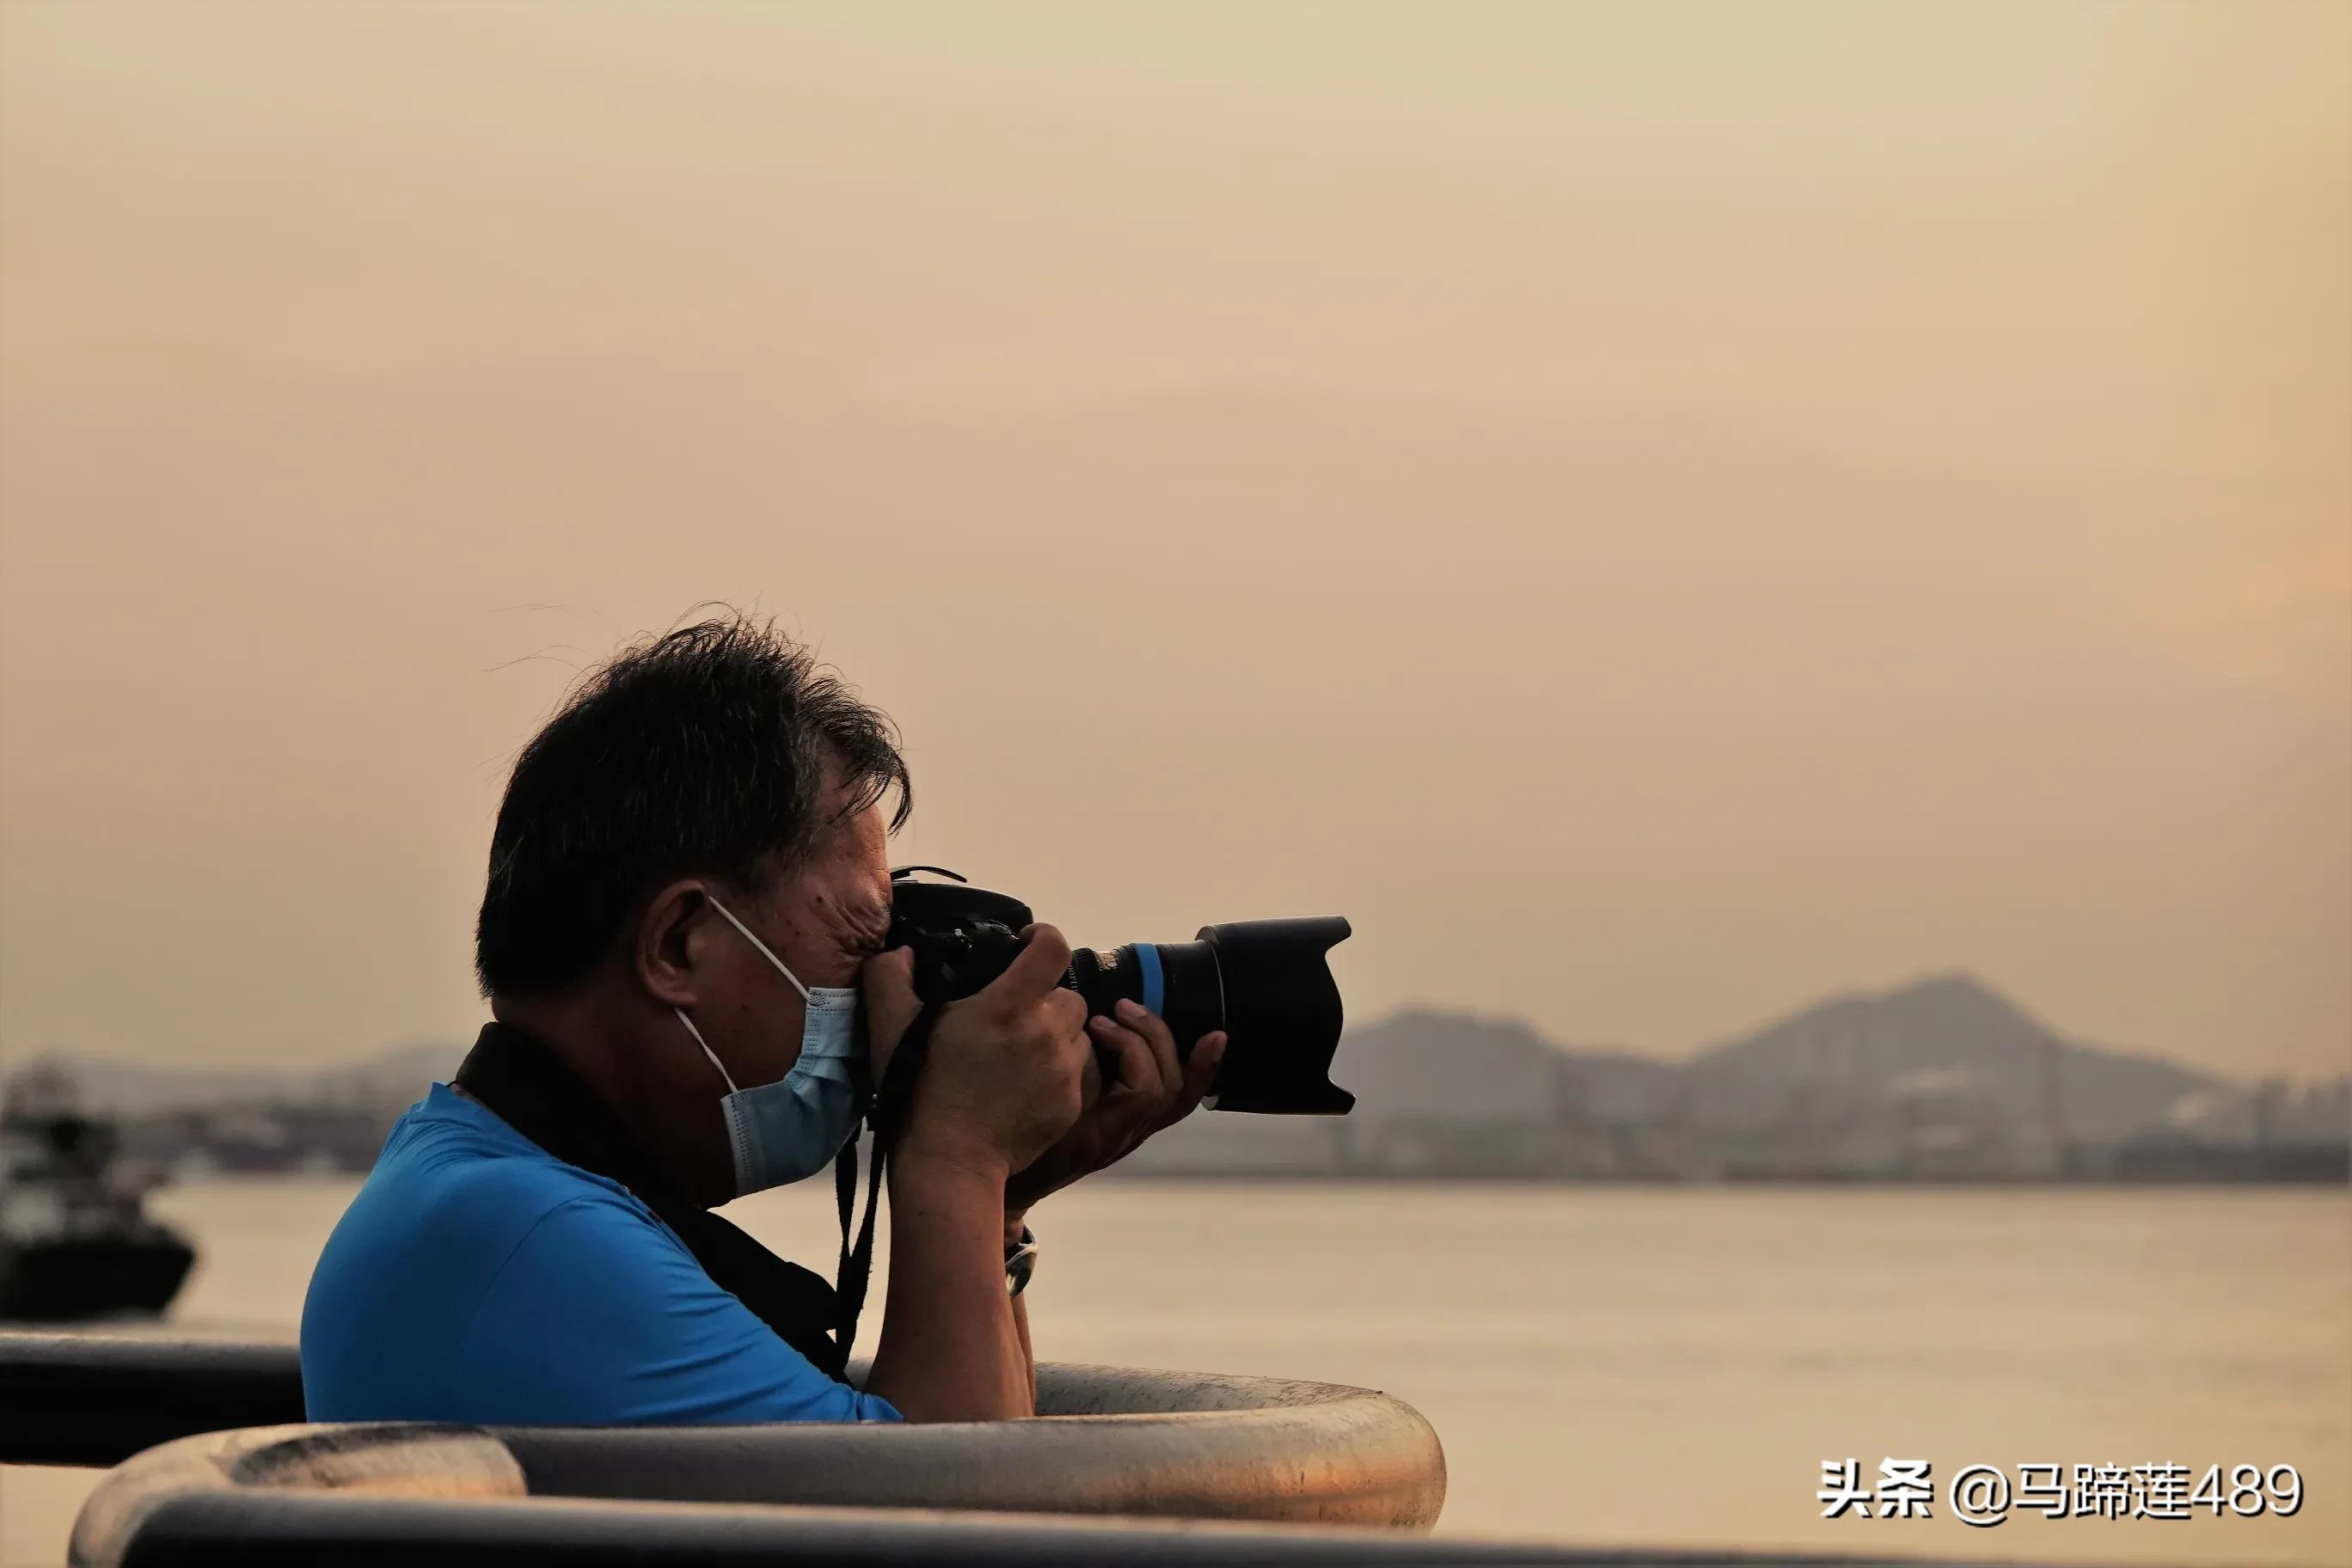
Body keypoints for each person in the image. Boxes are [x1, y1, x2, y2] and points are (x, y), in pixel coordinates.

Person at [299, 615, 1224, 1424]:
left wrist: (996, 1205)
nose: (883, 993)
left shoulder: (488, 1186)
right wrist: (957, 1156)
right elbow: (967, 1520)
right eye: (861, 939)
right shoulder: (531, 1236)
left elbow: (958, 1474)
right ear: (680, 944)